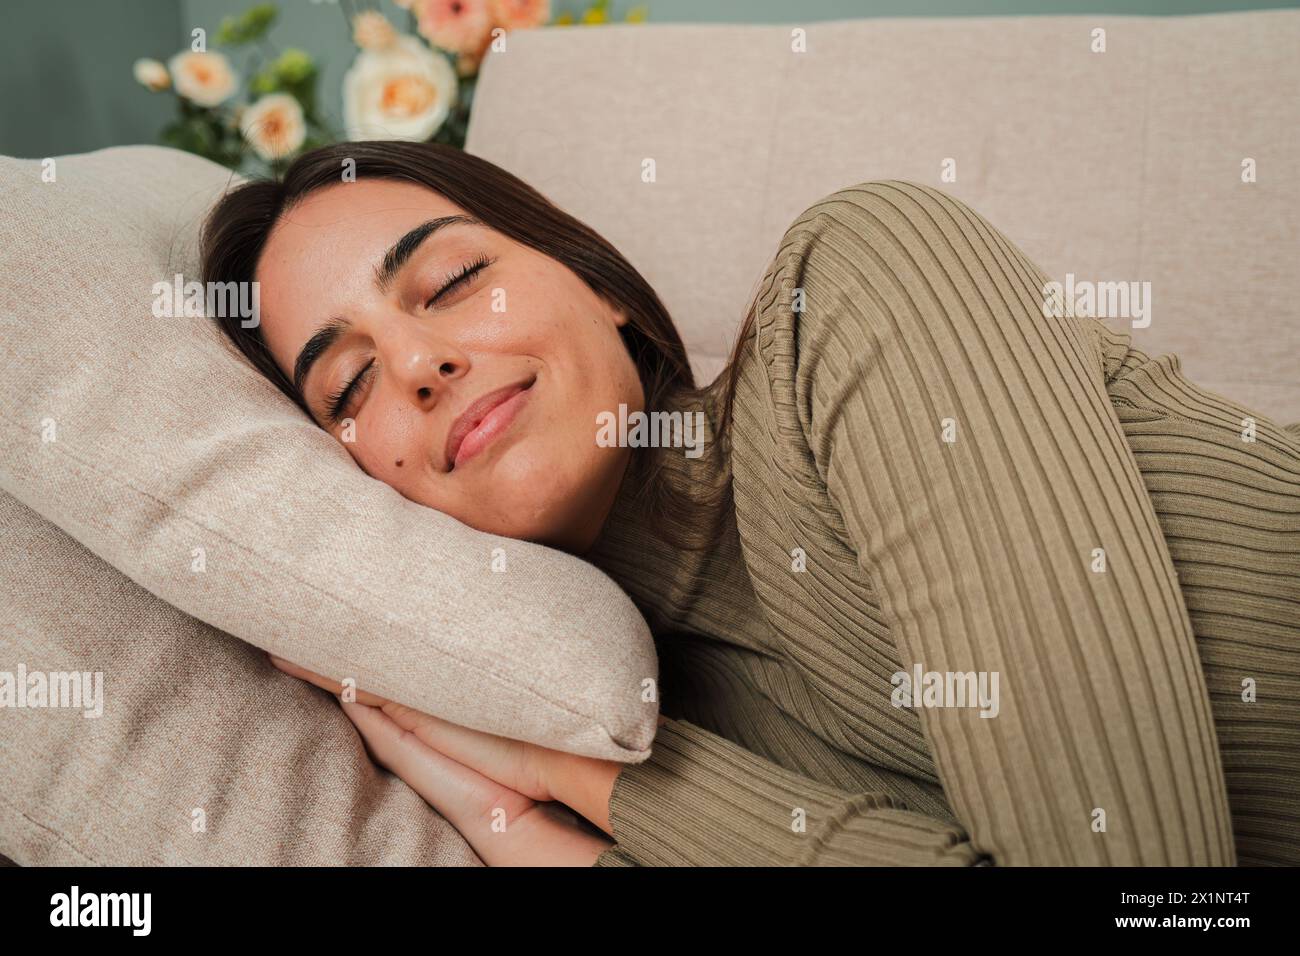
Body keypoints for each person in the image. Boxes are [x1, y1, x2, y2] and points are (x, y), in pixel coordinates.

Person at [202, 141, 1300, 866]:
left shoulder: (855, 283)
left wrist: (575, 782)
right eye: (348, 386)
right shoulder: (653, 726)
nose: (421, 361)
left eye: (446, 281)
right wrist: (538, 793)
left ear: (598, 284)